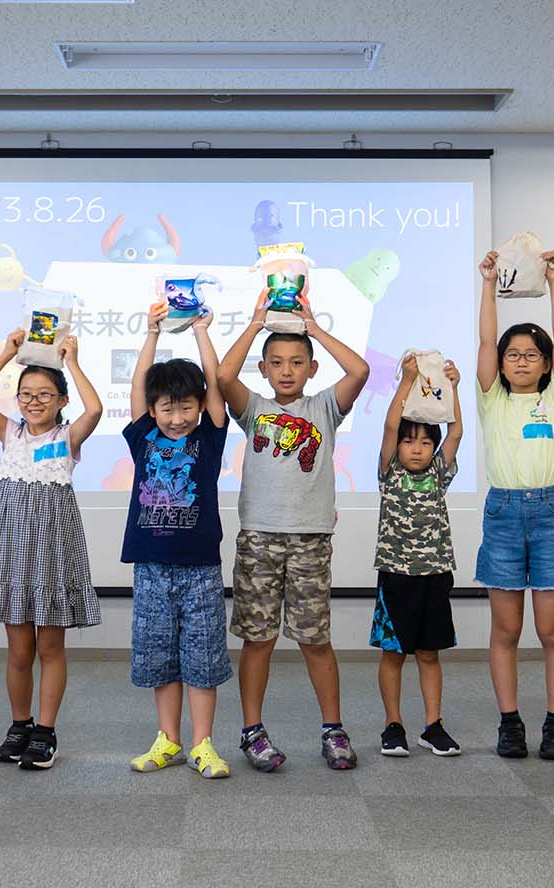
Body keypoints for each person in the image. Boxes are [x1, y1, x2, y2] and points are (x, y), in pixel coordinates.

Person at [217, 288, 370, 771]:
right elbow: (222, 375)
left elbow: (361, 372)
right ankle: (252, 731)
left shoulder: (324, 407)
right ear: (263, 370)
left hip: (311, 541)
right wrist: (257, 322)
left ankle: (333, 728)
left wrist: (314, 327)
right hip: (260, 537)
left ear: (312, 368)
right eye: (277, 362)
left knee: (315, 640)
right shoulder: (254, 410)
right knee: (257, 639)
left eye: (297, 361)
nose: (287, 370)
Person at [0, 329, 102, 770]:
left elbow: (96, 408)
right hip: (11, 555)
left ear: (62, 400)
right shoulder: (9, 434)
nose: (34, 401)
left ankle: (46, 730)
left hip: (53, 556)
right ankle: (19, 725)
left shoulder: (68, 437)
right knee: (19, 650)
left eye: (45, 394)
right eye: (26, 394)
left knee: (50, 648)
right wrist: (7, 352)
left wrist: (72, 361)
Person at [473, 248, 554, 761]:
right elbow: (483, 340)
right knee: (508, 629)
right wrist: (490, 284)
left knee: (552, 629)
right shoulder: (491, 396)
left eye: (529, 354)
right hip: (504, 514)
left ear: (544, 363)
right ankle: (509, 722)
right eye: (511, 353)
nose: (519, 361)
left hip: (550, 513)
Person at [123, 302, 233, 779]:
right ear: (152, 410)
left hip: (200, 568)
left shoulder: (208, 436)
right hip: (150, 565)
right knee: (159, 656)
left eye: (186, 406)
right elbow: (137, 388)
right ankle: (167, 740)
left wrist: (202, 333)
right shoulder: (144, 436)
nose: (177, 416)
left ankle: (202, 744)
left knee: (203, 658)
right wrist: (151, 332)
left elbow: (214, 384)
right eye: (167, 407)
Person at [371, 353, 465, 758]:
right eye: (410, 441)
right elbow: (392, 423)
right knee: (394, 654)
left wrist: (454, 389)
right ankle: (393, 724)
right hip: (396, 576)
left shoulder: (439, 474)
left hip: (435, 575)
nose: (416, 448)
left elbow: (456, 432)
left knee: (429, 653)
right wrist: (406, 382)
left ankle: (432, 725)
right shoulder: (389, 471)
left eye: (426, 441)